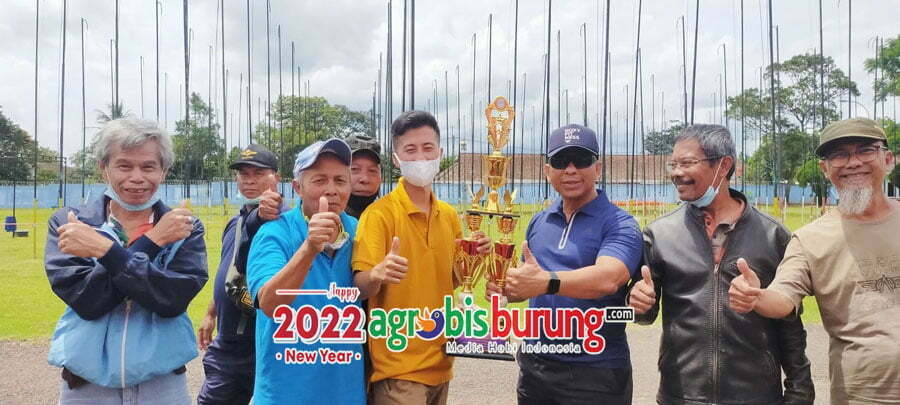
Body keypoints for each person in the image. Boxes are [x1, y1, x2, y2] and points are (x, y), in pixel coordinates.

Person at [629, 124, 814, 404]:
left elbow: (790, 323)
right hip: (681, 396)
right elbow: (644, 315)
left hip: (756, 397)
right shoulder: (659, 235)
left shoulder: (773, 236)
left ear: (723, 165)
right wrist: (637, 304)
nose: (676, 173)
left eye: (687, 163)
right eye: (673, 164)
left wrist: (800, 392)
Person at [729, 117, 900, 404]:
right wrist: (756, 296)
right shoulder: (810, 239)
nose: (853, 162)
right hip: (864, 394)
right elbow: (783, 296)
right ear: (825, 169)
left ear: (888, 159)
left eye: (865, 150)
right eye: (839, 155)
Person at [45, 118, 207, 404]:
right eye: (124, 166)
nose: (137, 177)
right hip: (86, 384)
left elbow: (172, 300)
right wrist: (153, 241)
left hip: (162, 383)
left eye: (148, 167)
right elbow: (87, 301)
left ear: (164, 171)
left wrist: (105, 251)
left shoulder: (184, 228)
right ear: (103, 168)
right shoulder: (71, 223)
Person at [489, 124, 643, 404]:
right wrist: (506, 289)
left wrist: (547, 282)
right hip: (536, 367)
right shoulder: (539, 221)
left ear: (597, 168)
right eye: (561, 161)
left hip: (595, 371)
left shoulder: (620, 223)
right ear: (548, 171)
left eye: (581, 160)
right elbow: (528, 283)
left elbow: (609, 277)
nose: (570, 170)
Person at [352, 110, 491, 405]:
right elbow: (359, 286)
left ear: (440, 153)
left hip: (442, 363)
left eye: (428, 148)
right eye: (410, 150)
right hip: (398, 370)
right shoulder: (379, 215)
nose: (420, 157)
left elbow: (451, 280)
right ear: (396, 159)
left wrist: (474, 259)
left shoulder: (449, 215)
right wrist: (376, 274)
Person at [246, 138, 365, 404]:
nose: (332, 190)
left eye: (340, 180)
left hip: (346, 395)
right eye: (320, 180)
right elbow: (269, 303)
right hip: (284, 396)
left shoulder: (360, 231)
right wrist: (309, 248)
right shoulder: (274, 233)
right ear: (297, 187)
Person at [197, 144, 284, 404]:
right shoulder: (236, 222)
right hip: (228, 338)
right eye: (243, 174)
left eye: (258, 173)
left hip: (260, 340)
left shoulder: (282, 223)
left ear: (277, 178)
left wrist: (262, 215)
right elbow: (230, 272)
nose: (249, 180)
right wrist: (211, 313)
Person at [345, 133, 384, 218]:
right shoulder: (321, 218)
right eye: (354, 169)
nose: (365, 179)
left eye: (372, 170)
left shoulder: (393, 218)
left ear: (381, 178)